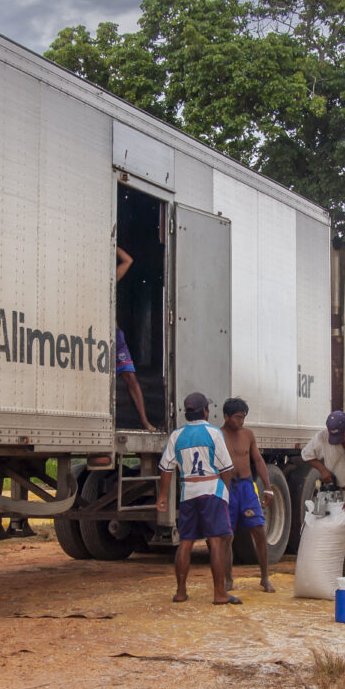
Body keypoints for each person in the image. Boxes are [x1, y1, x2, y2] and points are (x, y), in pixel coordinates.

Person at [157, 392, 240, 605]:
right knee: (215, 541)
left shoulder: (177, 435)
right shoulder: (213, 433)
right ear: (205, 411)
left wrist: (163, 496)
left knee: (186, 542)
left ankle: (181, 592)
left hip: (188, 492)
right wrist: (226, 492)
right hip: (212, 490)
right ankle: (219, 593)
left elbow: (166, 468)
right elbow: (227, 468)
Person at [221, 397, 275, 593]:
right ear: (226, 416)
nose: (241, 421)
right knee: (227, 536)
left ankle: (265, 577)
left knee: (259, 530)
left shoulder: (248, 434)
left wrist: (267, 487)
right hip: (226, 488)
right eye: (237, 417)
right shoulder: (217, 435)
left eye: (243, 417)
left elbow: (258, 461)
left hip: (246, 486)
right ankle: (228, 579)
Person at [115, 246, 155, 431]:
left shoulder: (110, 279)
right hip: (94, 336)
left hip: (115, 336)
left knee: (130, 377)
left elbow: (128, 260)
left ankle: (144, 421)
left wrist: (111, 242)